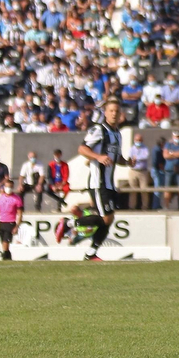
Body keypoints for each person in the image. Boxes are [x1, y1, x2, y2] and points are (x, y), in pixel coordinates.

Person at [76, 100, 126, 260]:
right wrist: (97, 156)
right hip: (98, 182)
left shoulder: (117, 134)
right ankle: (69, 223)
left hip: (109, 184)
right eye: (111, 110)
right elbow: (82, 148)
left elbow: (116, 157)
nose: (114, 114)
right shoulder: (99, 130)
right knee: (106, 218)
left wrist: (127, 162)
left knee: (108, 219)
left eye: (117, 111)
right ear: (105, 112)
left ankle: (91, 253)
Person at [0, 179, 25, 261]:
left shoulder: (16, 199)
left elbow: (20, 214)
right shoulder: (1, 198)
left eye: (10, 187)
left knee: (6, 241)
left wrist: (17, 226)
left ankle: (5, 256)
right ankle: (8, 256)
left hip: (10, 222)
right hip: (2, 222)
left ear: (12, 187)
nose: (8, 188)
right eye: (7, 187)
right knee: (3, 241)